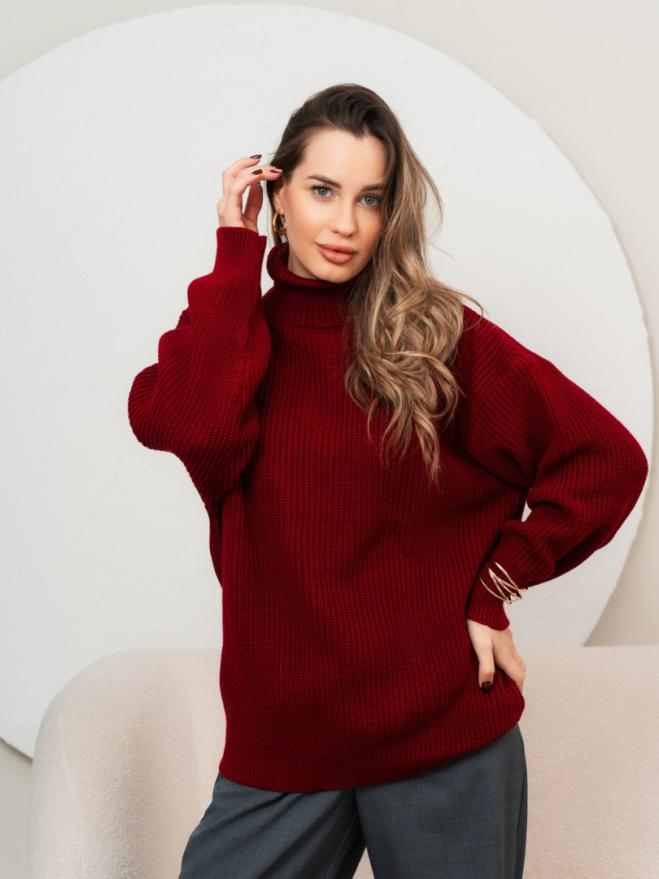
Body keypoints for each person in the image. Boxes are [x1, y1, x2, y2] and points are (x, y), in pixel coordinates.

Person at [127, 84, 648, 878]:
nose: (345, 223)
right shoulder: (237, 343)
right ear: (276, 193)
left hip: (442, 736)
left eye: (369, 198)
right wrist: (234, 252)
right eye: (322, 190)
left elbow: (605, 460)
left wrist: (495, 585)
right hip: (285, 742)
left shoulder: (435, 339)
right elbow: (189, 426)